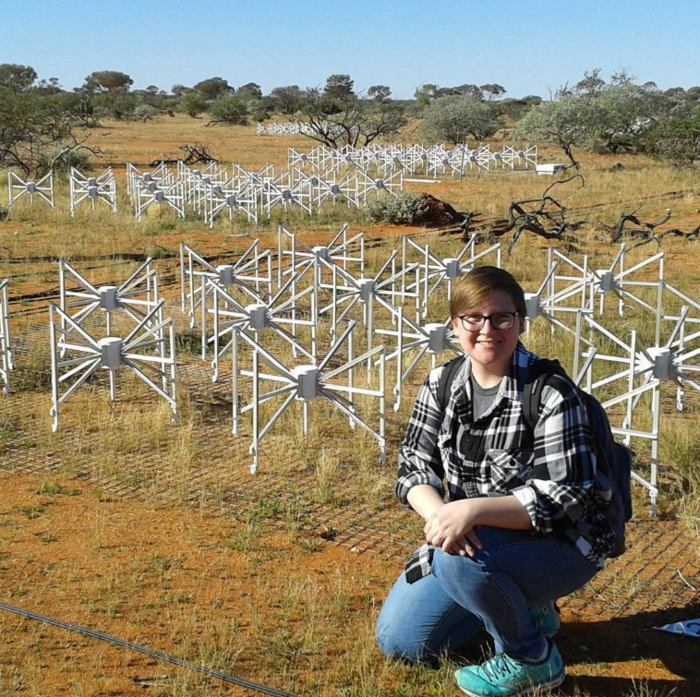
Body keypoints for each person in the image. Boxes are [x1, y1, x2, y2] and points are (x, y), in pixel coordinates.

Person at [376, 266, 619, 697]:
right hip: (474, 543)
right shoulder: (441, 382)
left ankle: (532, 658)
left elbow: (569, 497)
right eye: (474, 318)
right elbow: (413, 465)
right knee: (403, 644)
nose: (487, 330)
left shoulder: (550, 393)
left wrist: (471, 511)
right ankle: (522, 608)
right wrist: (441, 515)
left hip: (560, 545)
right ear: (455, 326)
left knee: (457, 561)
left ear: (520, 323)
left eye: (502, 318)